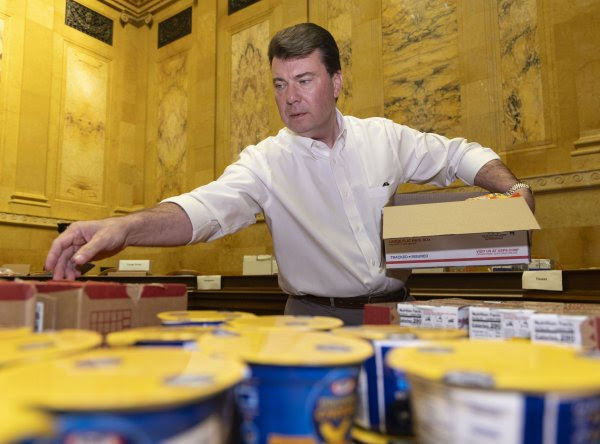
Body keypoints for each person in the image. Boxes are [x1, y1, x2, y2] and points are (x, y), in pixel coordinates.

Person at [45, 23, 534, 325]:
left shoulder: (384, 137)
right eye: (280, 84)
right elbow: (203, 210)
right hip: (310, 319)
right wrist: (124, 227)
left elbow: (458, 155)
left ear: (337, 81)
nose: (290, 97)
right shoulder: (265, 161)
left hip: (395, 313)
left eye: (304, 80)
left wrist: (510, 189)